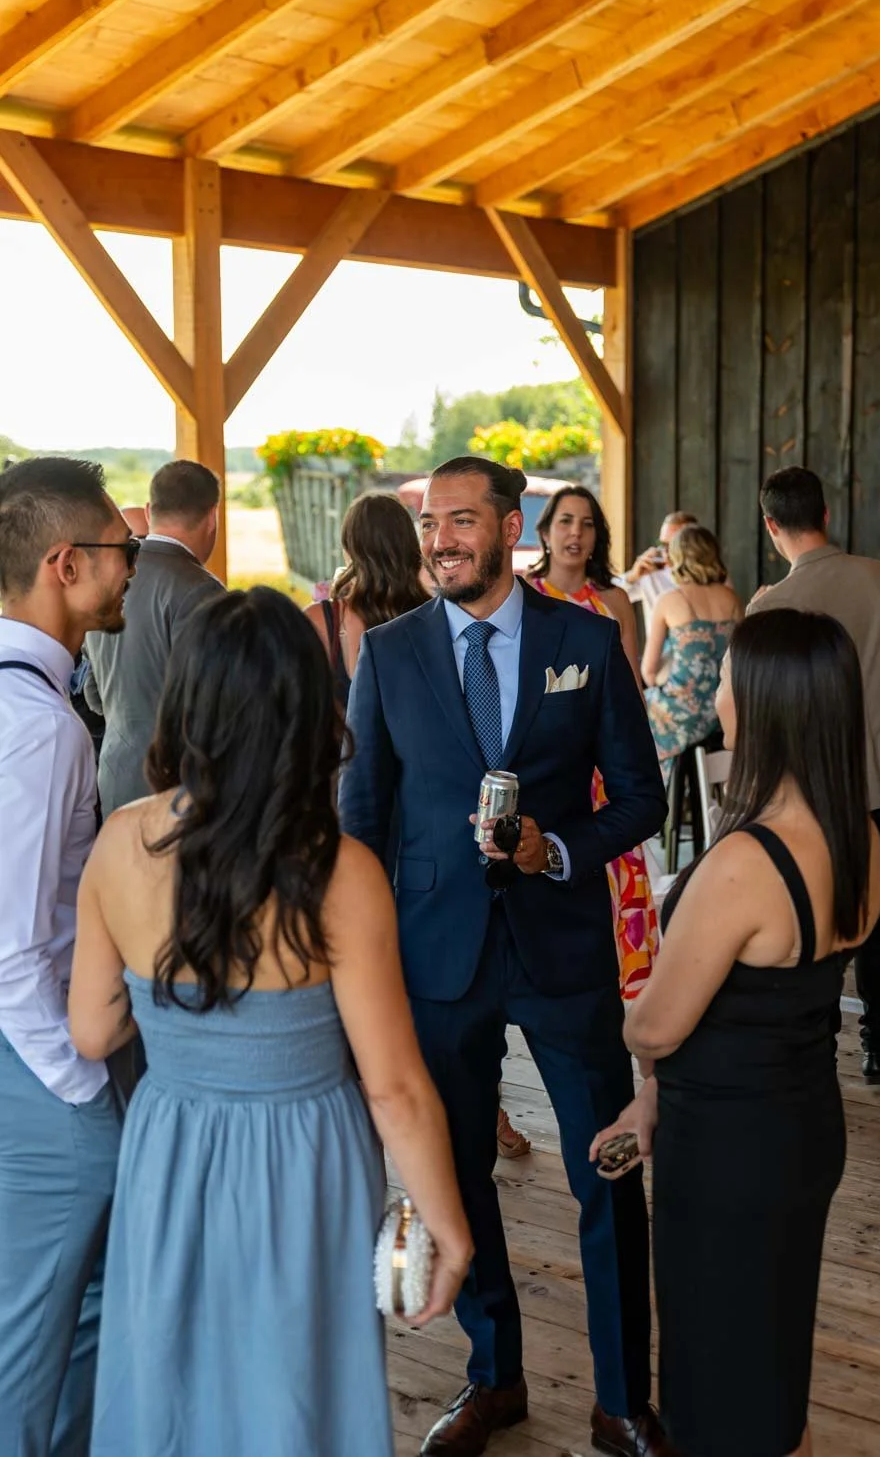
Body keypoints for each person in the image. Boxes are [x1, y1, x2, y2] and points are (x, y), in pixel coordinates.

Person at [69, 587, 472, 1457]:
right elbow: (395, 1088)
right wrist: (449, 1223)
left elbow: (94, 1035)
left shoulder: (122, 845)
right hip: (303, 1157)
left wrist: (177, 1007)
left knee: (173, 1380)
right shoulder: (339, 870)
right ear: (306, 708)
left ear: (187, 703)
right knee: (295, 1391)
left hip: (171, 1144)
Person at [340, 456, 671, 1457]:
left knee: (603, 1170)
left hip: (560, 949)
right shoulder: (388, 654)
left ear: (508, 522)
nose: (437, 539)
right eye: (427, 523)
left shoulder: (582, 638)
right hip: (436, 956)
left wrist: (557, 848)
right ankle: (492, 1377)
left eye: (457, 520)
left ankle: (620, 1402)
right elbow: (363, 819)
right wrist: (367, 961)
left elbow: (641, 795)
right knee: (459, 1169)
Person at [593, 609, 880, 1457]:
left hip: (729, 1153)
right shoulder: (858, 834)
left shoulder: (747, 861)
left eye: (726, 673)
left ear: (763, 700)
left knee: (713, 1377)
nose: (713, 686)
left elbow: (657, 1024)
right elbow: (765, 1009)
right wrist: (652, 1103)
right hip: (799, 1127)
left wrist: (609, 1010)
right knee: (770, 1357)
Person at [0, 456, 136, 1456]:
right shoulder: (40, 727)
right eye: (120, 550)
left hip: (36, 1058)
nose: (131, 567)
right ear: (64, 563)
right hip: (39, 1065)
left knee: (75, 1303)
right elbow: (10, 945)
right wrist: (79, 1091)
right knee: (32, 1328)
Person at [749, 466, 880, 1084]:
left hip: (815, 783)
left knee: (821, 913)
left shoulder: (771, 605)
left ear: (772, 525)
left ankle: (819, 1049)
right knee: (878, 914)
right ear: (825, 515)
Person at [528, 484, 659, 999]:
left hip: (610, 766)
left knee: (616, 864)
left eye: (586, 524)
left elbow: (632, 690)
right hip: (553, 763)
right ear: (545, 530)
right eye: (565, 521)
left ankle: (620, 980)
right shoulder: (524, 597)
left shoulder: (614, 601)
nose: (574, 533)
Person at [84, 459, 223, 817]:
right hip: (182, 789)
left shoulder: (108, 578)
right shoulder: (204, 592)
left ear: (149, 511)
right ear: (212, 517)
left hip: (114, 776)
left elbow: (94, 695)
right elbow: (217, 705)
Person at [305, 490, 427, 714]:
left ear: (349, 548)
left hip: (340, 749)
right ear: (411, 545)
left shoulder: (318, 620)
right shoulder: (435, 617)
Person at [642, 524, 742, 772]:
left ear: (678, 558)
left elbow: (649, 672)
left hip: (682, 713)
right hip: (724, 712)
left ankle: (664, 799)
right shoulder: (732, 599)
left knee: (637, 710)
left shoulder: (669, 600)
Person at [619, 510, 697, 625]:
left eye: (672, 545)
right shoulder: (650, 574)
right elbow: (608, 596)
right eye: (663, 544)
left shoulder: (709, 575)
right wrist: (632, 577)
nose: (664, 551)